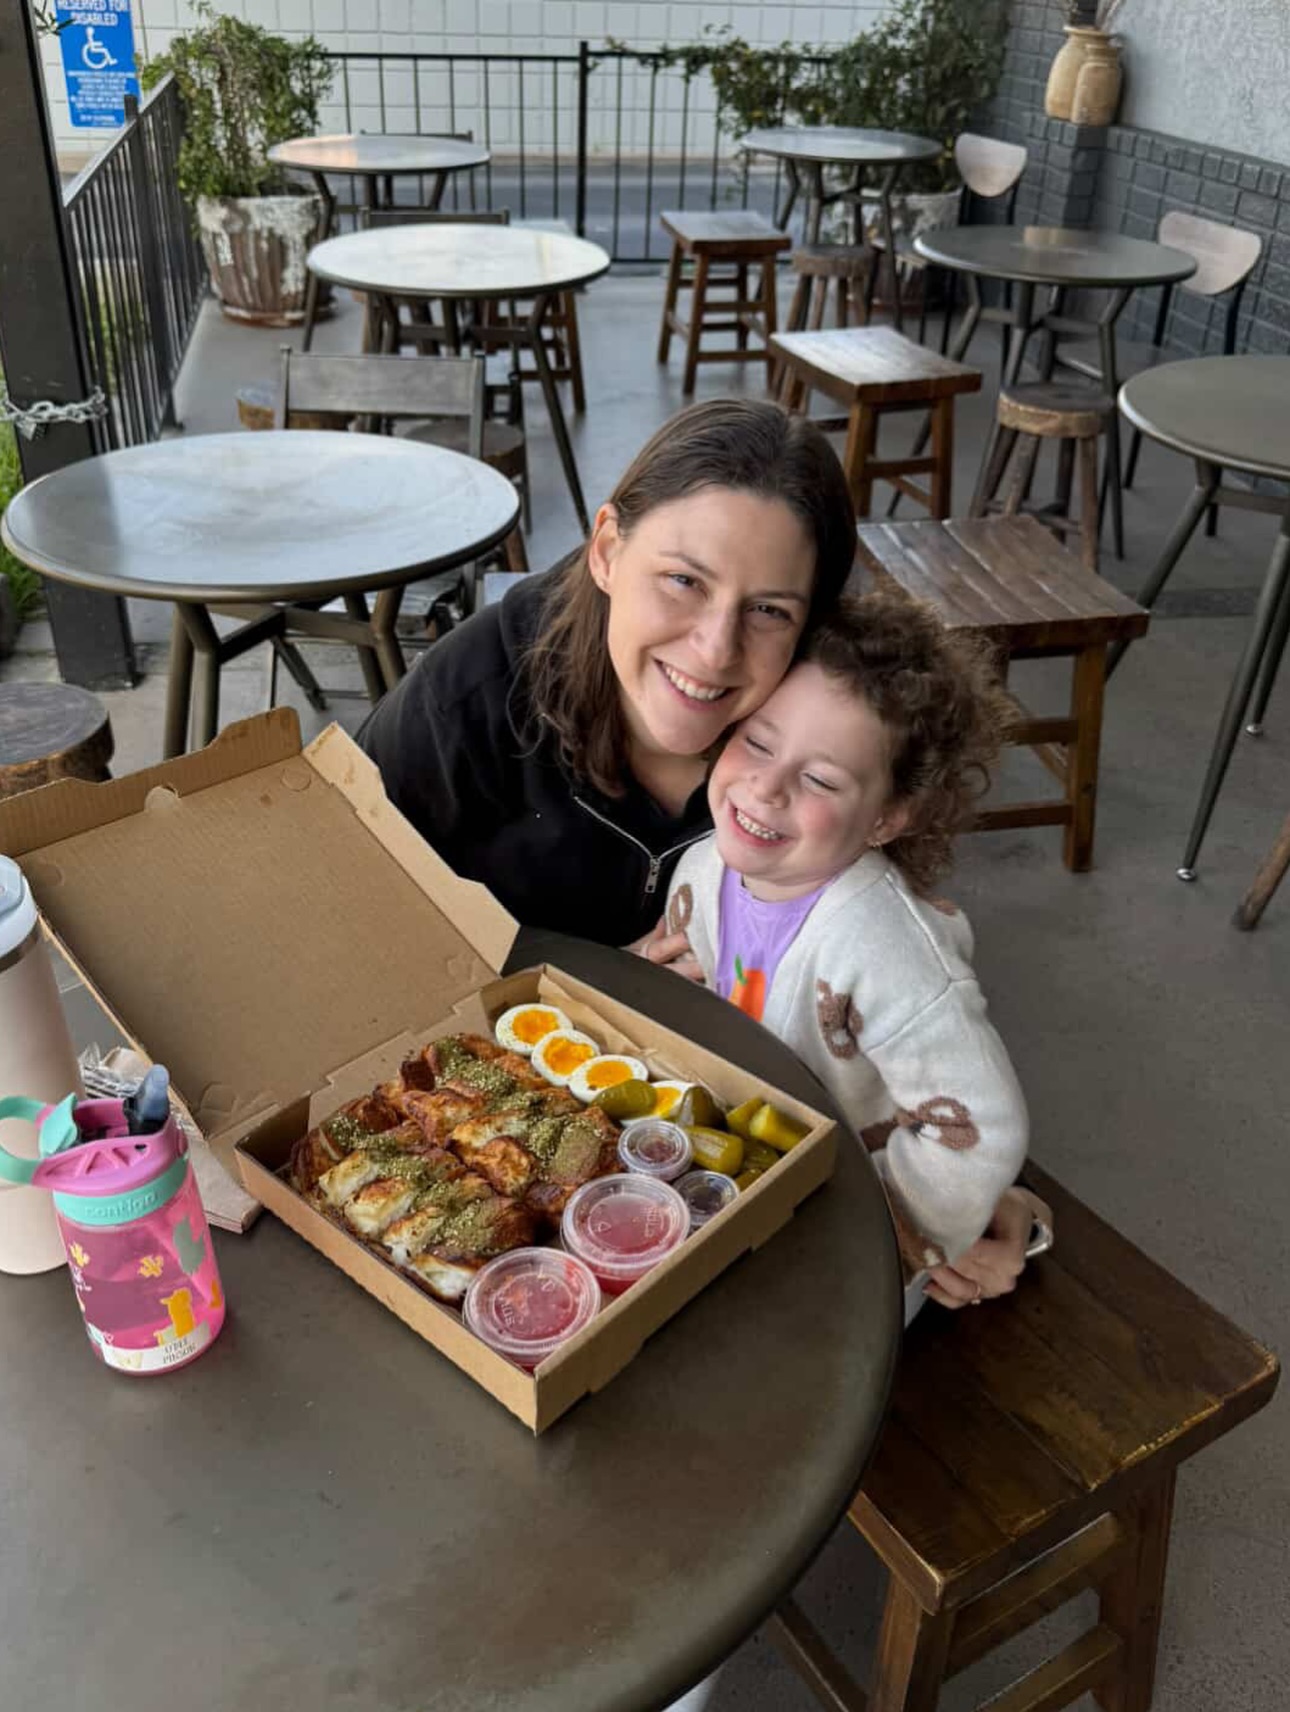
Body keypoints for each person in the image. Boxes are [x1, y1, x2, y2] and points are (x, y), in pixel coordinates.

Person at [359, 397, 1048, 1307]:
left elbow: (900, 1014)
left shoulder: (816, 748)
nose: (715, 649)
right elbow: (351, 928)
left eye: (768, 609)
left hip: (730, 1166)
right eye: (683, 580)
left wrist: (984, 1197)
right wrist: (595, 991)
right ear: (606, 548)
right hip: (503, 1108)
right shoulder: (469, 703)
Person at [662, 589, 1028, 1320]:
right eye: (759, 742)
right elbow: (690, 968)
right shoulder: (706, 867)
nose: (765, 787)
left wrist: (901, 1235)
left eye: (821, 779)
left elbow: (984, 1129)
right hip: (746, 1171)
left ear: (888, 818)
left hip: (843, 1237)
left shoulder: (882, 950)